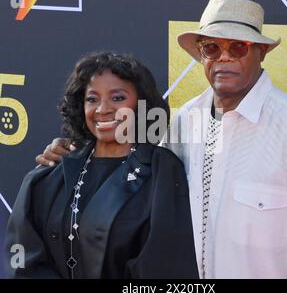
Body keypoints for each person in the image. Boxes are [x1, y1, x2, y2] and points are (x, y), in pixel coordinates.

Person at [35, 0, 287, 278]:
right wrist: (69, 154)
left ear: (261, 51)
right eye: (212, 48)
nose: (224, 57)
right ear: (200, 54)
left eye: (238, 47)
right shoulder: (180, 123)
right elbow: (121, 164)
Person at [5, 51, 198, 279]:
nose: (102, 109)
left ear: (141, 104)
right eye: (92, 99)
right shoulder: (50, 174)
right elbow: (22, 260)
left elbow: (165, 263)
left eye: (117, 98)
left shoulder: (162, 170)